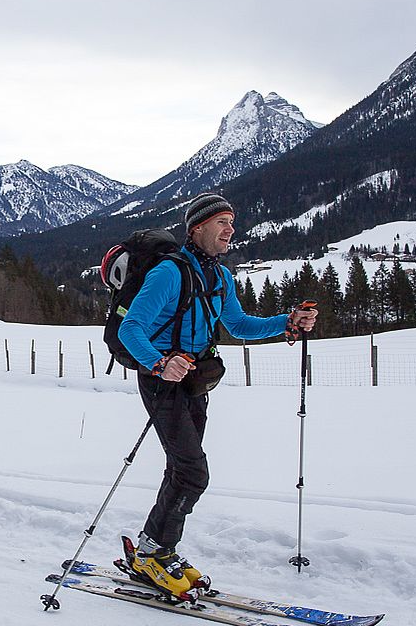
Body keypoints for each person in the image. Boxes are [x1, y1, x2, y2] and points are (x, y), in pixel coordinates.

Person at [117, 192, 318, 598]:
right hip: (162, 381)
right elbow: (130, 329)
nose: (231, 229)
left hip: (195, 380)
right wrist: (159, 363)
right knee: (193, 472)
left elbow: (240, 325)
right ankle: (155, 550)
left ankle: (154, 549)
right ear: (198, 228)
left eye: (232, 222)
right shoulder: (169, 274)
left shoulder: (220, 276)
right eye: (222, 222)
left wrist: (287, 323)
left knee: (182, 468)